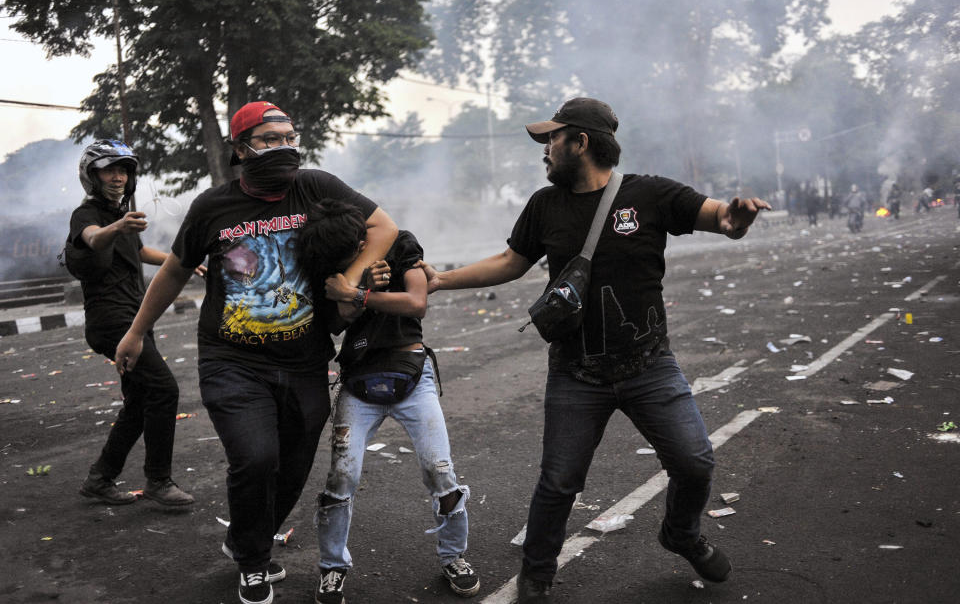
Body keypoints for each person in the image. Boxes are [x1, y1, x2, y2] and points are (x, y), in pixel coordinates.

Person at [418, 97, 770, 603]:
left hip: (650, 366)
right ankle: (536, 574)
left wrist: (736, 215)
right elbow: (512, 262)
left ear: (580, 142)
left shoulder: (651, 195)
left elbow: (721, 218)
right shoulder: (545, 205)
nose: (544, 150)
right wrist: (442, 280)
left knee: (694, 464)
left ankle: (681, 534)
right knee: (559, 483)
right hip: (575, 373)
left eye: (551, 139)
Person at [113, 101, 398, 604]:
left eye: (290, 135)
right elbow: (176, 269)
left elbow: (384, 229)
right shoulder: (212, 208)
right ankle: (253, 563)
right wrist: (136, 332)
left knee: (293, 465)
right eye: (270, 139)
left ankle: (249, 538)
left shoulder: (316, 186)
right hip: (232, 359)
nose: (284, 146)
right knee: (255, 456)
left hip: (306, 358)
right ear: (242, 148)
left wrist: (348, 285)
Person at [297, 199, 479, 604]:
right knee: (341, 478)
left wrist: (361, 297)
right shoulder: (326, 265)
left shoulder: (398, 244)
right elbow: (332, 323)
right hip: (359, 379)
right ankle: (331, 569)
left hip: (411, 374)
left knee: (440, 471)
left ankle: (454, 556)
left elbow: (417, 303)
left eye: (353, 254)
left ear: (364, 240)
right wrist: (359, 290)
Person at [69, 139, 198, 508]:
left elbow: (139, 252)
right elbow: (93, 239)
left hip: (134, 316)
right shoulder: (87, 214)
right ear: (92, 176)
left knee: (140, 401)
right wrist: (118, 226)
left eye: (123, 170)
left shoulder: (121, 217)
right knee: (164, 390)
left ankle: (100, 478)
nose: (118, 177)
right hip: (113, 322)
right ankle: (158, 480)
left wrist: (185, 261)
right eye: (109, 170)